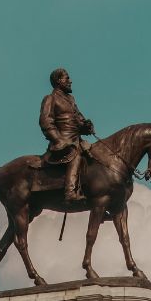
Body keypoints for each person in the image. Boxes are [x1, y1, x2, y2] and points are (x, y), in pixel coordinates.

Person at [39, 68, 95, 202]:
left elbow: (79, 119)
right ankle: (70, 192)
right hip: (63, 141)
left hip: (76, 140)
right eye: (67, 78)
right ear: (59, 81)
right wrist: (58, 140)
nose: (70, 81)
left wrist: (86, 126)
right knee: (76, 154)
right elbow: (45, 121)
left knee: (94, 155)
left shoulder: (71, 100)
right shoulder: (50, 98)